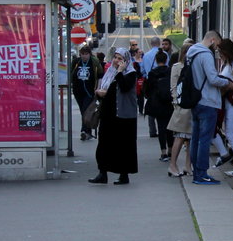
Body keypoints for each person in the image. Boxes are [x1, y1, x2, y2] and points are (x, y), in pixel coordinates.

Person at [89, 48, 140, 185]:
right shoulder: (110, 71)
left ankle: (124, 175)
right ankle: (102, 173)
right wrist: (99, 93)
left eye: (120, 58)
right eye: (115, 57)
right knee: (104, 144)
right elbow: (106, 89)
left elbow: (124, 87)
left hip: (124, 115)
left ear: (126, 61)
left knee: (123, 146)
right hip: (108, 114)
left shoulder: (130, 73)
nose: (117, 61)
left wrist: (119, 72)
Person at [188, 31, 230, 185]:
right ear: (212, 40)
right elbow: (212, 78)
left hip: (195, 101)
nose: (217, 49)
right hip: (207, 101)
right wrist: (226, 82)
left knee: (196, 139)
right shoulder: (205, 54)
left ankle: (196, 173)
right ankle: (202, 174)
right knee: (204, 140)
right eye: (217, 45)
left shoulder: (191, 53)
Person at [213, 38, 233, 173]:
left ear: (227, 51)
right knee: (227, 132)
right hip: (227, 103)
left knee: (230, 133)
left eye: (221, 52)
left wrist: (225, 85)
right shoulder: (225, 64)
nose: (219, 54)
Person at [166, 41, 193, 177]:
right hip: (182, 107)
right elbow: (173, 87)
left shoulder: (192, 66)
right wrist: (177, 102)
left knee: (190, 138)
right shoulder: (177, 67)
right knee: (180, 137)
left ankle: (188, 165)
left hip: (190, 106)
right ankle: (173, 165)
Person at [142, 50, 174, 162]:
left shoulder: (152, 73)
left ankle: (163, 152)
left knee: (161, 127)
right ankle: (171, 150)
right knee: (170, 128)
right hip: (169, 102)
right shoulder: (170, 71)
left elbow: (149, 89)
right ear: (166, 60)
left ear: (156, 60)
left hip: (158, 103)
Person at [70, 44, 102, 141]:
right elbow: (71, 74)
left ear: (89, 54)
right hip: (78, 92)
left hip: (90, 92)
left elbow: (100, 75)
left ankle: (84, 131)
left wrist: (98, 89)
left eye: (86, 54)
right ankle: (88, 131)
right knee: (83, 112)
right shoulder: (76, 62)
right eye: (82, 54)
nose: (84, 56)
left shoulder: (94, 62)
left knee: (86, 110)